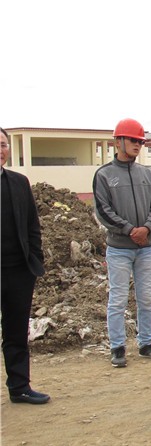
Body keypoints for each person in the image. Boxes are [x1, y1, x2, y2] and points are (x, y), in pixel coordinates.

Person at [93, 119, 151, 368]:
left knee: (146, 297)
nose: (137, 145)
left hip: (147, 247)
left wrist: (146, 228)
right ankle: (117, 347)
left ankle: (146, 343)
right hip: (119, 249)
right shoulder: (104, 175)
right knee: (118, 299)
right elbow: (103, 210)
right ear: (118, 141)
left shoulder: (148, 175)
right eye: (133, 140)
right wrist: (129, 230)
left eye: (140, 141)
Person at [1, 127, 50, 405]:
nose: (0, 150)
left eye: (3, 144)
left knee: (16, 332)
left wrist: (34, 259)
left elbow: (33, 225)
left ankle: (19, 386)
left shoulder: (19, 183)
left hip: (18, 271)